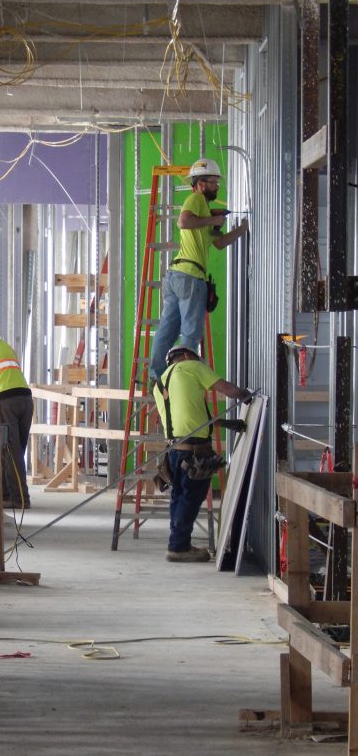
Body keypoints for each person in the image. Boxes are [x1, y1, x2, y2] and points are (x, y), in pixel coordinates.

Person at [150, 158, 249, 380]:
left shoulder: (202, 209)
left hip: (177, 276)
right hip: (190, 277)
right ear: (201, 183)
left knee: (167, 331)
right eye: (213, 182)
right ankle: (184, 381)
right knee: (191, 334)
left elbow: (220, 242)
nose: (217, 187)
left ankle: (157, 378)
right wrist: (211, 218)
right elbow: (183, 222)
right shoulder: (195, 198)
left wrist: (242, 229)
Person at [153, 344, 251, 563]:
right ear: (188, 356)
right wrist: (248, 396)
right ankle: (178, 547)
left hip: (174, 451)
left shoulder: (160, 382)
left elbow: (193, 418)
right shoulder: (192, 366)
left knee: (179, 497)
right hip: (194, 450)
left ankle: (179, 543)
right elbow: (228, 389)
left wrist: (228, 423)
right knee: (191, 497)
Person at [0, 317, 33, 510]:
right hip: (25, 399)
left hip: (5, 400)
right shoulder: (3, 345)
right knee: (13, 451)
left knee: (9, 451)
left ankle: (20, 499)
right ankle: (6, 496)